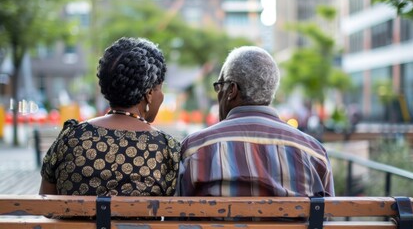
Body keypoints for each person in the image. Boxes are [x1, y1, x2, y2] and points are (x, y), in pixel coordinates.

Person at [179, 46, 334, 197]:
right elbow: (326, 217)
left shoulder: (195, 148)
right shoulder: (314, 153)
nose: (218, 94)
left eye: (220, 86)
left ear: (231, 90)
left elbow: (178, 215)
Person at [39, 37, 181, 196]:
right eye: (160, 88)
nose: (161, 95)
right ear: (148, 94)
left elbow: (47, 204)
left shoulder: (70, 138)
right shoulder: (167, 150)